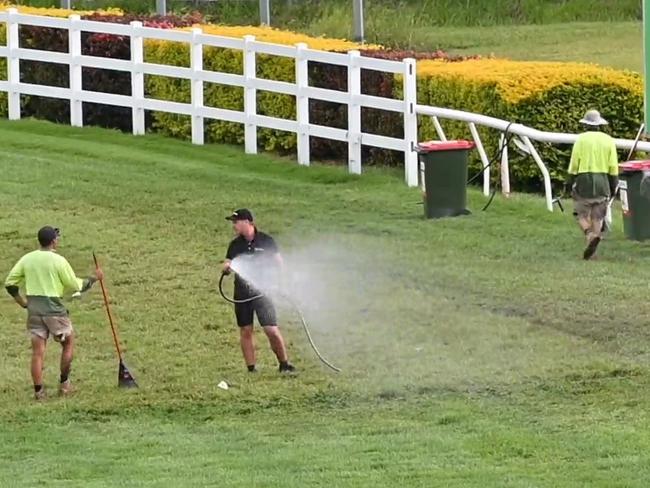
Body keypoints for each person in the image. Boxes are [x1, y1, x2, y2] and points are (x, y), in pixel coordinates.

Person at [4, 226, 103, 400]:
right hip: (54, 310)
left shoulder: (27, 259)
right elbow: (76, 285)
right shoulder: (58, 261)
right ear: (53, 241)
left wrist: (23, 303)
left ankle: (39, 392)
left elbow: (10, 284)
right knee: (68, 343)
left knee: (38, 352)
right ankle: (64, 385)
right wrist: (94, 278)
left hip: (34, 310)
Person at [222, 209, 295, 373]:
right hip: (242, 294)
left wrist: (281, 283)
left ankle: (284, 364)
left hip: (263, 292)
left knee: (271, 329)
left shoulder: (266, 241)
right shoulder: (235, 245)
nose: (234, 225)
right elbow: (227, 262)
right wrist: (226, 268)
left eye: (236, 222)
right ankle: (251, 368)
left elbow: (279, 264)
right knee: (246, 329)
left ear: (247, 222)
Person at [566, 109, 619, 260]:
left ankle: (589, 235)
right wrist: (613, 186)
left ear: (585, 125)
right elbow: (613, 167)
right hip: (603, 181)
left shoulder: (581, 140)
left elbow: (574, 164)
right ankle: (594, 250)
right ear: (599, 125)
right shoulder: (608, 140)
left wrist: (568, 182)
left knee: (580, 213)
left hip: (584, 181)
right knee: (598, 216)